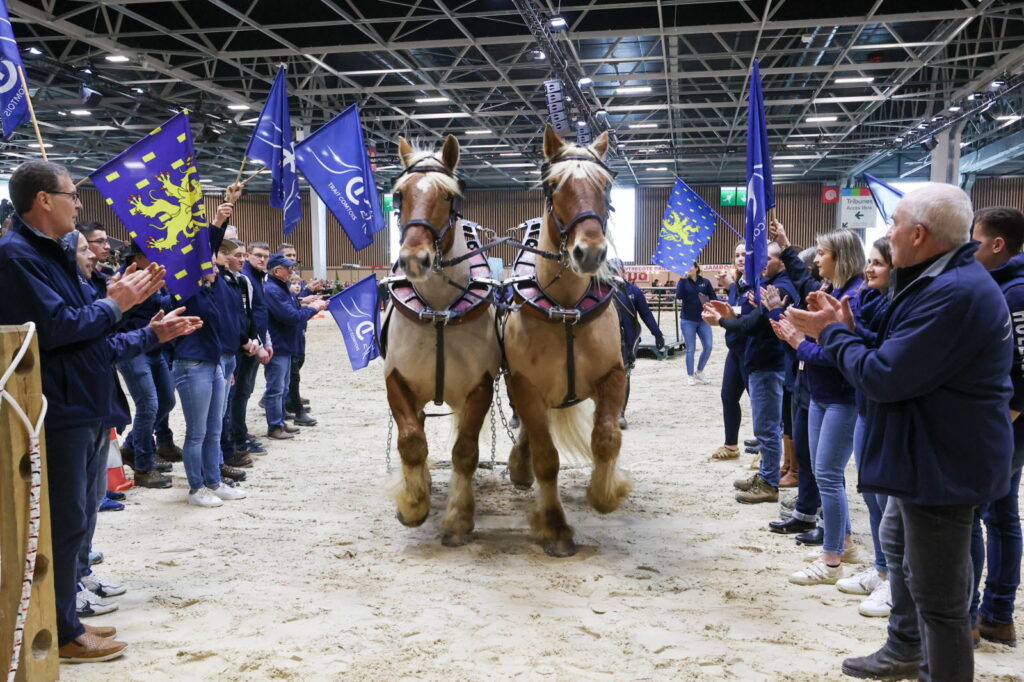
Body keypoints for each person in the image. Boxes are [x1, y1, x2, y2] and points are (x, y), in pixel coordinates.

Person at [786, 183, 1013, 682]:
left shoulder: (951, 293)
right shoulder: (938, 279)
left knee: (941, 601)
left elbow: (884, 377)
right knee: (918, 576)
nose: (887, 234)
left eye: (893, 226)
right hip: (927, 455)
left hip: (942, 461)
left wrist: (831, 333)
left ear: (918, 233)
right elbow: (899, 352)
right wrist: (849, 325)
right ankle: (904, 651)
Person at [0, 160, 200, 663]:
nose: (79, 203)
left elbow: (94, 341)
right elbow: (58, 328)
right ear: (43, 200)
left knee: (78, 521)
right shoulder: (15, 256)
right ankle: (62, 631)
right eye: (71, 194)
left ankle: (65, 617)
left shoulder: (55, 255)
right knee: (65, 523)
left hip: (86, 405)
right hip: (57, 409)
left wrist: (151, 333)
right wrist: (115, 304)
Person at [771, 229, 866, 586]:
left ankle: (831, 561)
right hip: (820, 393)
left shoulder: (851, 298)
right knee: (822, 470)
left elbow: (839, 353)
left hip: (842, 396)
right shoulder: (832, 292)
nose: (816, 260)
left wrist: (799, 342)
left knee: (828, 473)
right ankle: (841, 539)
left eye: (822, 253)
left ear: (840, 257)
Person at [703, 241, 799, 504]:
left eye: (767, 258)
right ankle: (767, 476)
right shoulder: (768, 286)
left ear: (782, 261)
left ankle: (768, 482)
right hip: (759, 361)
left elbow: (751, 324)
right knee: (764, 426)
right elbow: (750, 319)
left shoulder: (780, 288)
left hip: (768, 364)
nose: (761, 263)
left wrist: (721, 321)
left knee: (767, 428)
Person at [969, 206, 1024, 646]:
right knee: (1000, 513)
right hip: (1003, 422)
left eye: (975, 240)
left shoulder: (1016, 293)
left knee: (981, 514)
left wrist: (1002, 420)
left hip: (1006, 424)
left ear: (997, 245)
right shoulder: (1001, 287)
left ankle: (976, 614)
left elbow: (1021, 369)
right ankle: (995, 614)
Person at [172, 199, 249, 508]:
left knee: (214, 429)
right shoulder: (187, 286)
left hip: (213, 364)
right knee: (197, 432)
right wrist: (217, 220)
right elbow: (205, 248)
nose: (212, 264)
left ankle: (214, 480)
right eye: (208, 260)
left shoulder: (213, 287)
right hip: (192, 364)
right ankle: (196, 487)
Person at [115, 241, 177, 489]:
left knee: (166, 401)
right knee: (148, 404)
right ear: (138, 258)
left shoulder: (153, 278)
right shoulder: (125, 281)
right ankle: (144, 465)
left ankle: (132, 446)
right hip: (133, 349)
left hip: (154, 347)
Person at [264, 253, 327, 439]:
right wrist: (314, 308)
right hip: (279, 345)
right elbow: (291, 316)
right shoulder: (273, 291)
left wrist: (310, 306)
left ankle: (280, 421)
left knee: (282, 388)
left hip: (285, 344)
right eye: (288, 268)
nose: (292, 271)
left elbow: (295, 310)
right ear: (277, 270)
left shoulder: (282, 289)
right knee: (276, 389)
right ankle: (274, 426)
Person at [609, 258, 665, 428]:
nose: (612, 274)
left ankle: (620, 413)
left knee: (624, 374)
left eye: (615, 270)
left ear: (623, 272)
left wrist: (657, 334)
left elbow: (646, 314)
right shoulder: (600, 291)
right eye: (609, 270)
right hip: (605, 341)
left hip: (627, 340)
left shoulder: (633, 291)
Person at [230, 241, 272, 457]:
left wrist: (265, 341)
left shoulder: (256, 278)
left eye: (265, 256)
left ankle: (239, 433)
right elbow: (244, 315)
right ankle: (236, 438)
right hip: (244, 346)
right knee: (238, 393)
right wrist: (254, 342)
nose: (262, 259)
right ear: (248, 256)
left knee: (244, 392)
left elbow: (259, 314)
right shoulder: (243, 279)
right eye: (258, 255)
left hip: (253, 343)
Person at [711, 242, 749, 460]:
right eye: (737, 255)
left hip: (752, 350)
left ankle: (765, 450)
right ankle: (731, 445)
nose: (740, 258)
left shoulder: (754, 284)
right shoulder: (737, 286)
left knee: (761, 404)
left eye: (744, 254)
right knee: (728, 397)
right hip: (734, 349)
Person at [675, 262, 716, 385]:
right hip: (688, 320)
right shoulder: (683, 281)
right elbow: (679, 296)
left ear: (696, 268)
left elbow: (713, 298)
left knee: (708, 346)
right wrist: (681, 280)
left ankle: (699, 371)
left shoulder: (706, 282)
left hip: (704, 319)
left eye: (690, 266)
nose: (687, 268)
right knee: (690, 349)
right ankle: (690, 375)